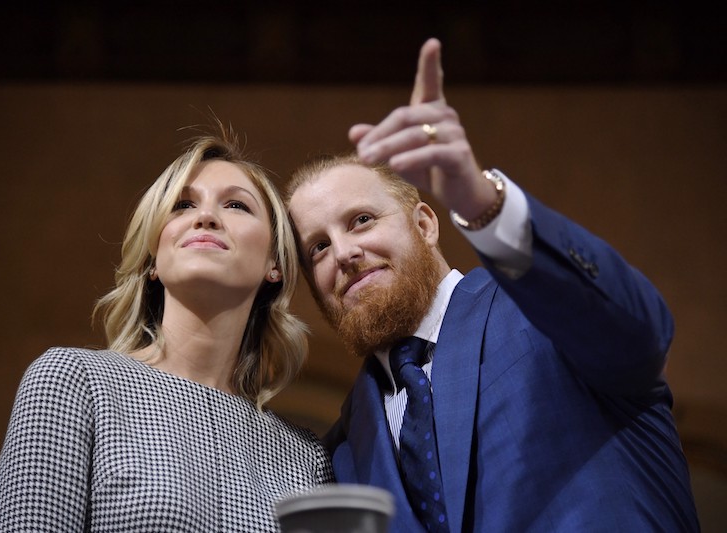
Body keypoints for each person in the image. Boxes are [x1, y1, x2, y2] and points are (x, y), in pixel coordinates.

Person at [285, 38, 700, 532]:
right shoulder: (341, 451)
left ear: (424, 225)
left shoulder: (539, 309)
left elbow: (640, 335)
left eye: (361, 220)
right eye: (318, 248)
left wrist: (480, 199)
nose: (344, 254)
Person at [0, 126, 335, 532]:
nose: (205, 216)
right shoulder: (74, 382)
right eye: (182, 205)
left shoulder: (306, 458)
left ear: (273, 264)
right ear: (154, 259)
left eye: (237, 206)